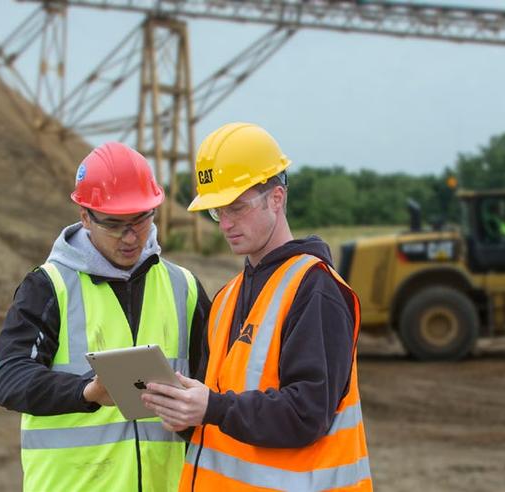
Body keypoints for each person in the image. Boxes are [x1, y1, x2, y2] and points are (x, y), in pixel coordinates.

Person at [141, 122, 372, 491]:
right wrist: (185, 414)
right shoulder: (227, 297)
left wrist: (212, 408)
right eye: (218, 211)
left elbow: (306, 414)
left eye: (236, 207)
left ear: (276, 198)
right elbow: (218, 408)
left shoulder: (316, 289)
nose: (226, 224)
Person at [0, 142, 212, 491]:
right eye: (114, 224)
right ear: (85, 217)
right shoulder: (49, 286)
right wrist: (86, 391)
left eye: (140, 219)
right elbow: (8, 378)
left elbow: (215, 385)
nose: (130, 236)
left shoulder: (183, 287)